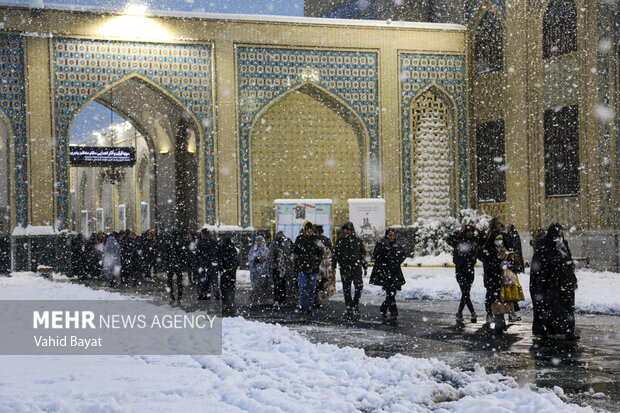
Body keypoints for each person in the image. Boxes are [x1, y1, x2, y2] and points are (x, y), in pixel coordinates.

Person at [530, 223, 579, 340]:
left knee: (567, 307)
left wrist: (573, 279)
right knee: (551, 308)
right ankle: (549, 331)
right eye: (559, 234)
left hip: (565, 283)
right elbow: (540, 266)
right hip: (551, 284)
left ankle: (568, 331)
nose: (561, 236)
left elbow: (569, 263)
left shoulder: (563, 245)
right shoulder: (545, 246)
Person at [369, 229, 406, 322]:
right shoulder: (381, 243)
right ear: (386, 235)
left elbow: (403, 255)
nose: (392, 237)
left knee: (392, 292)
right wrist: (385, 262)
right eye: (390, 235)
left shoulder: (397, 244)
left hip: (395, 272)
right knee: (390, 292)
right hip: (385, 272)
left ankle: (384, 307)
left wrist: (397, 262)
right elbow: (376, 255)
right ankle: (394, 312)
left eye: (393, 235)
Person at [332, 222, 367, 320]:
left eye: (348, 230)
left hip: (356, 268)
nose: (346, 231)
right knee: (346, 289)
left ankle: (355, 304)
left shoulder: (357, 241)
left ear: (352, 230)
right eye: (345, 230)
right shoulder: (340, 241)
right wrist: (333, 266)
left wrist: (365, 266)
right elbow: (335, 255)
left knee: (359, 286)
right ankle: (349, 307)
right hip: (345, 268)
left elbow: (362, 254)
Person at [446, 225, 479, 323]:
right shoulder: (458, 240)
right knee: (465, 291)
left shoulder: (474, 241)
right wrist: (458, 232)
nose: (470, 233)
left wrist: (479, 231)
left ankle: (459, 312)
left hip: (470, 269)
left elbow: (483, 240)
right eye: (468, 231)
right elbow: (448, 239)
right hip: (460, 269)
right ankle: (472, 312)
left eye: (472, 231)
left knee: (466, 292)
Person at [291, 221, 324, 316]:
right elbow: (294, 249)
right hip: (302, 268)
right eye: (307, 229)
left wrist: (316, 262)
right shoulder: (300, 239)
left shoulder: (316, 239)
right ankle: (302, 306)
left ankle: (309, 307)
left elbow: (320, 253)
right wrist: (293, 255)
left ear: (312, 230)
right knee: (302, 287)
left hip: (313, 269)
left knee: (312, 289)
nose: (309, 231)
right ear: (304, 230)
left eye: (310, 229)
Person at [479, 218, 506, 324]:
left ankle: (495, 315)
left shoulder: (491, 243)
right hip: (492, 273)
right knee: (492, 294)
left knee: (495, 294)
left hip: (495, 273)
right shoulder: (489, 245)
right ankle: (492, 314)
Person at [505, 224, 524, 322]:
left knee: (509, 293)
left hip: (508, 270)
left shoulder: (510, 238)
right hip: (508, 270)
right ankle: (511, 314)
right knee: (509, 293)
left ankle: (511, 314)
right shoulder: (512, 237)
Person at [267, 231, 291, 308]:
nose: (281, 236)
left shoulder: (286, 243)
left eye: (282, 235)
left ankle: (282, 300)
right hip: (275, 267)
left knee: (282, 284)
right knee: (276, 284)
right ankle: (277, 299)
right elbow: (270, 255)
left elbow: (288, 253)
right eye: (280, 235)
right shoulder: (273, 244)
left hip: (283, 268)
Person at [314, 224, 335, 308]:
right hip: (323, 265)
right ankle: (318, 299)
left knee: (319, 282)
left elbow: (330, 252)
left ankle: (317, 299)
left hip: (320, 264)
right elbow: (331, 252)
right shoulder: (324, 239)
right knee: (322, 282)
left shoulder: (316, 240)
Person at [197, 228, 220, 300]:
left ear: (203, 234)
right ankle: (217, 296)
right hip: (213, 265)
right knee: (214, 282)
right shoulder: (214, 242)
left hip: (204, 264)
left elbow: (198, 254)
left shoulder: (201, 243)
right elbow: (217, 252)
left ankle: (204, 295)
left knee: (204, 282)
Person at [218, 236, 239, 316]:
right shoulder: (233, 249)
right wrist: (232, 269)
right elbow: (236, 262)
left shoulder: (221, 248)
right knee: (231, 290)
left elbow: (220, 260)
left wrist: (222, 269)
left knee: (224, 290)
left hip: (224, 273)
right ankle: (231, 306)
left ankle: (224, 306)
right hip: (231, 274)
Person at [248, 235, 270, 305]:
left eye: (260, 241)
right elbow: (250, 259)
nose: (259, 242)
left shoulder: (266, 250)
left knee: (262, 285)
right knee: (255, 285)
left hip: (263, 271)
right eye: (257, 241)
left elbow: (268, 259)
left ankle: (261, 298)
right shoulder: (253, 250)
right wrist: (256, 260)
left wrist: (264, 260)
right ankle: (255, 298)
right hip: (254, 271)